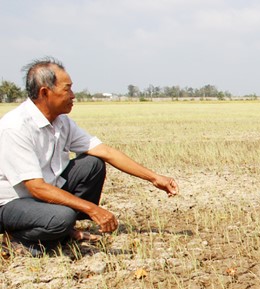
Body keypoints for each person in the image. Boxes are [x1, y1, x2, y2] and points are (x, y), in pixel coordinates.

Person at [0, 57, 178, 255]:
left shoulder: (61, 122)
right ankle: (20, 239)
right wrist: (92, 209)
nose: (73, 95)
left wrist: (154, 178)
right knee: (63, 217)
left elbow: (105, 152)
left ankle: (58, 231)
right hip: (12, 204)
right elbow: (36, 188)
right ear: (45, 92)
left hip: (42, 196)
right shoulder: (15, 127)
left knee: (92, 164)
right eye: (67, 89)